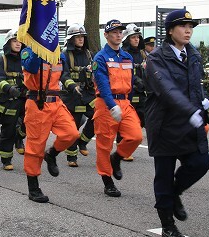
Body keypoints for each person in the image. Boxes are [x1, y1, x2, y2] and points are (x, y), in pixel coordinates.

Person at [144, 10, 209, 237]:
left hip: (189, 122)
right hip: (165, 124)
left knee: (201, 163)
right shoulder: (156, 58)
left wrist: (202, 101)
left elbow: (196, 82)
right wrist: (190, 110)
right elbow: (167, 90)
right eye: (182, 26)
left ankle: (174, 193)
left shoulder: (192, 54)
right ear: (170, 30)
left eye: (191, 26)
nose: (188, 30)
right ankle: (167, 225)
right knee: (163, 175)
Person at [21, 43, 80, 203]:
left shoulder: (58, 54)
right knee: (35, 146)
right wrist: (38, 49)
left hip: (56, 101)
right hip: (37, 103)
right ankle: (33, 187)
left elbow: (63, 73)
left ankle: (51, 154)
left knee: (72, 133)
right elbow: (32, 67)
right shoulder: (27, 52)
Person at [92, 19, 143, 197]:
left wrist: (127, 102)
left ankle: (117, 157)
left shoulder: (127, 57)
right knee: (104, 145)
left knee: (135, 136)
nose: (118, 35)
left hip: (125, 103)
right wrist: (112, 105)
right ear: (106, 35)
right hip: (106, 104)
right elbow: (103, 84)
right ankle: (107, 181)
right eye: (114, 32)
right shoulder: (100, 58)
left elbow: (129, 82)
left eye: (120, 32)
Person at [60, 24, 96, 167]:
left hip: (87, 93)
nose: (80, 39)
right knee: (73, 126)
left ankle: (83, 141)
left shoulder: (89, 54)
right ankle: (71, 156)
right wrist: (73, 86)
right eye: (77, 37)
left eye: (82, 37)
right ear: (71, 39)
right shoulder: (64, 55)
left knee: (97, 116)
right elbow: (63, 75)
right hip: (72, 95)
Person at [0, 28, 27, 170]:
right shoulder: (1, 61)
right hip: (8, 101)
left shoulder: (26, 60)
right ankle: (6, 159)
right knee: (8, 130)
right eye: (14, 41)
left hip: (25, 99)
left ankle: (19, 137)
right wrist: (9, 89)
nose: (18, 44)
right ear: (8, 42)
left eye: (20, 41)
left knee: (30, 124)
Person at [120, 23, 148, 161]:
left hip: (142, 91)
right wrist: (137, 81)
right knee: (125, 120)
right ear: (127, 39)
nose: (136, 40)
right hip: (130, 91)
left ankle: (130, 141)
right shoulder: (124, 54)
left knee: (142, 116)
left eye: (138, 37)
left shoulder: (143, 53)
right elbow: (127, 72)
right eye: (133, 37)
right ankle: (122, 148)